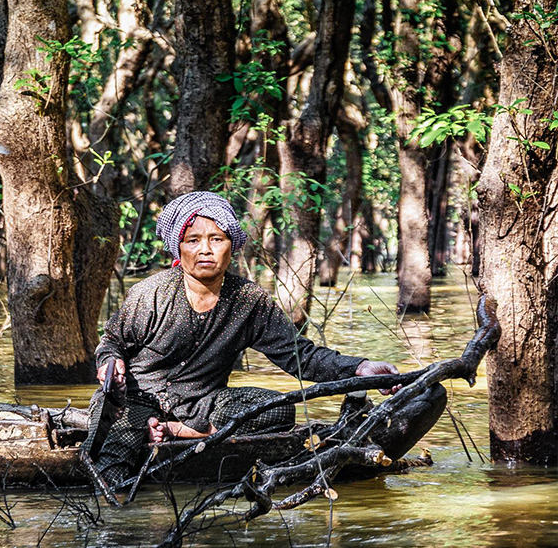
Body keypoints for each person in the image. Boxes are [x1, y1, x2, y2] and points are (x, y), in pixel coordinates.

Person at [86, 191, 403, 487]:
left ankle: (176, 431)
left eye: (216, 239)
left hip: (204, 403)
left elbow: (300, 355)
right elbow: (111, 342)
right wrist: (109, 364)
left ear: (231, 246)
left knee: (281, 410)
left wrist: (359, 369)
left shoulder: (249, 301)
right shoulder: (151, 293)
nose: (206, 249)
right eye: (193, 240)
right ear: (178, 248)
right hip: (137, 398)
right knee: (113, 462)